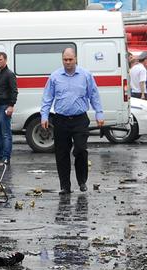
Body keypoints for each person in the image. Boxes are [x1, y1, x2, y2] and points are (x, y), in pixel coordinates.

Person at [40, 48, 104, 195]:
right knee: (61, 154)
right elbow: (47, 97)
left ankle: (82, 181)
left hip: (80, 119)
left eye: (70, 59)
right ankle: (65, 186)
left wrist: (99, 113)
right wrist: (44, 115)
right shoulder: (55, 76)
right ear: (62, 60)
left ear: (75, 59)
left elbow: (94, 95)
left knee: (80, 149)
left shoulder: (85, 75)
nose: (67, 62)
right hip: (61, 120)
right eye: (65, 60)